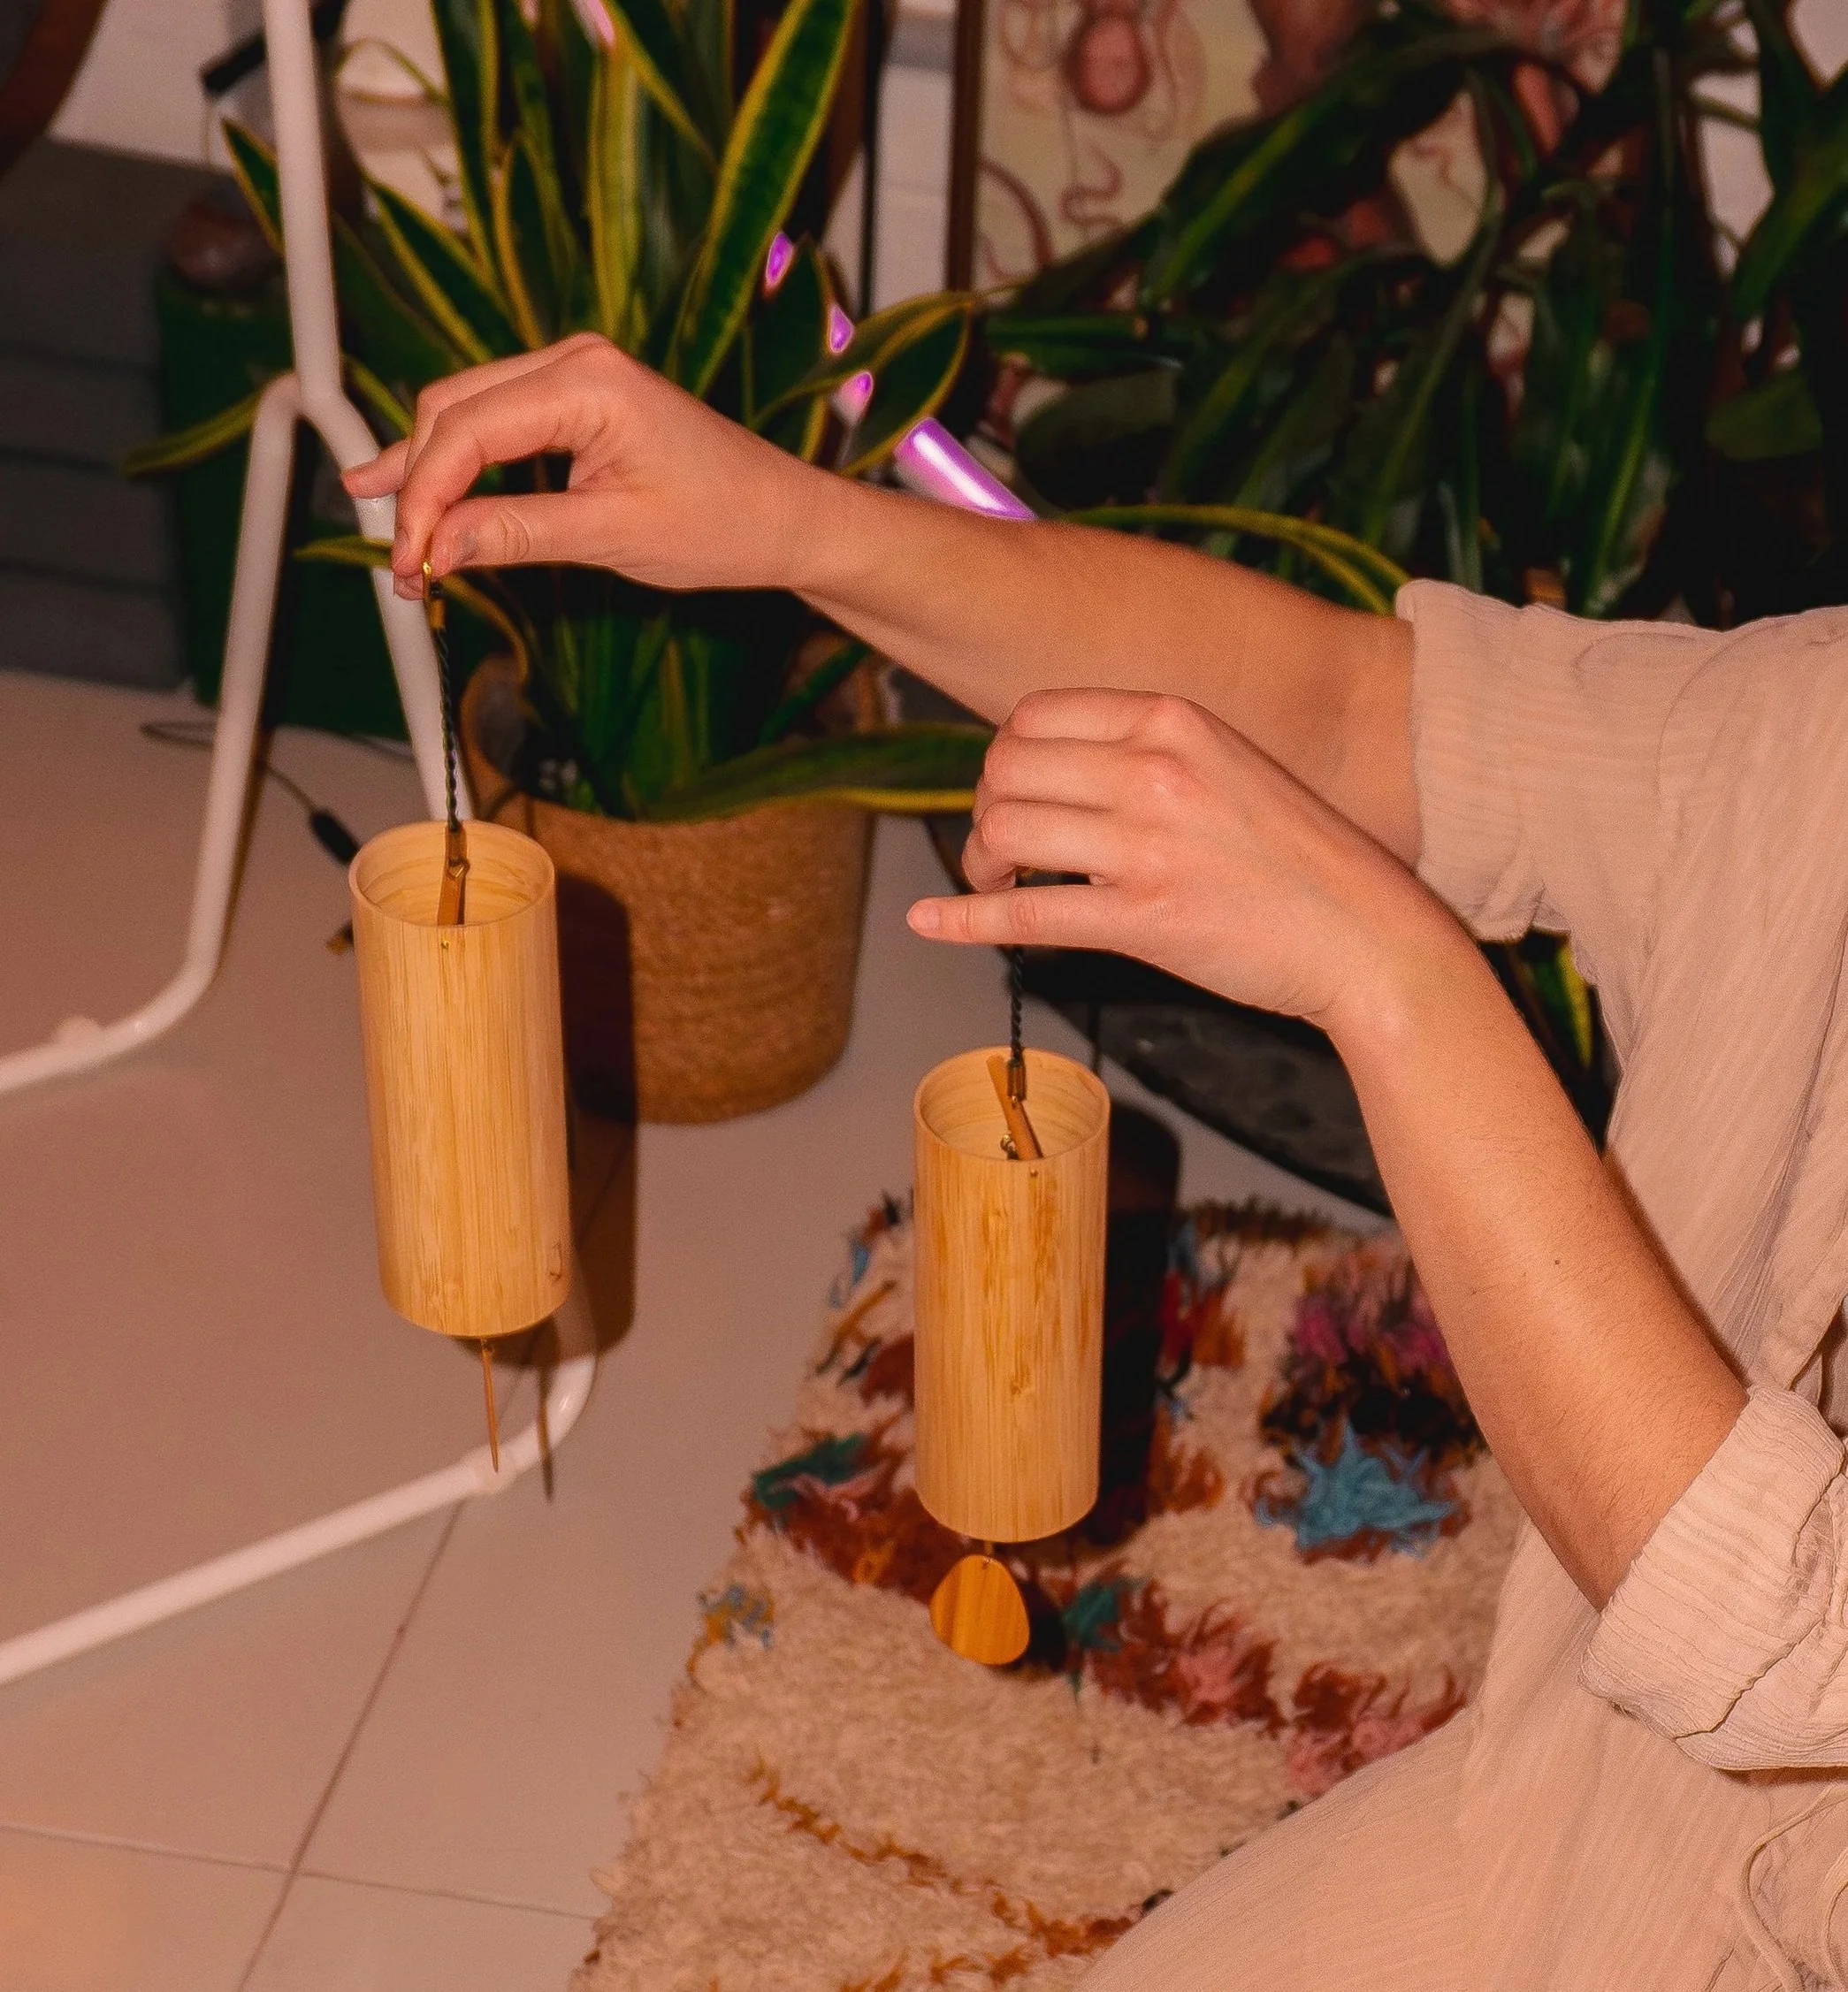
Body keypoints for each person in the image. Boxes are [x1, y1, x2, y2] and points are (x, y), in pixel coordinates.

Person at [347, 334, 1848, 1989]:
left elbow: (1769, 1630)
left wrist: (1395, 981)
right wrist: (797, 528)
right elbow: (1372, 714)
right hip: (1592, 1818)